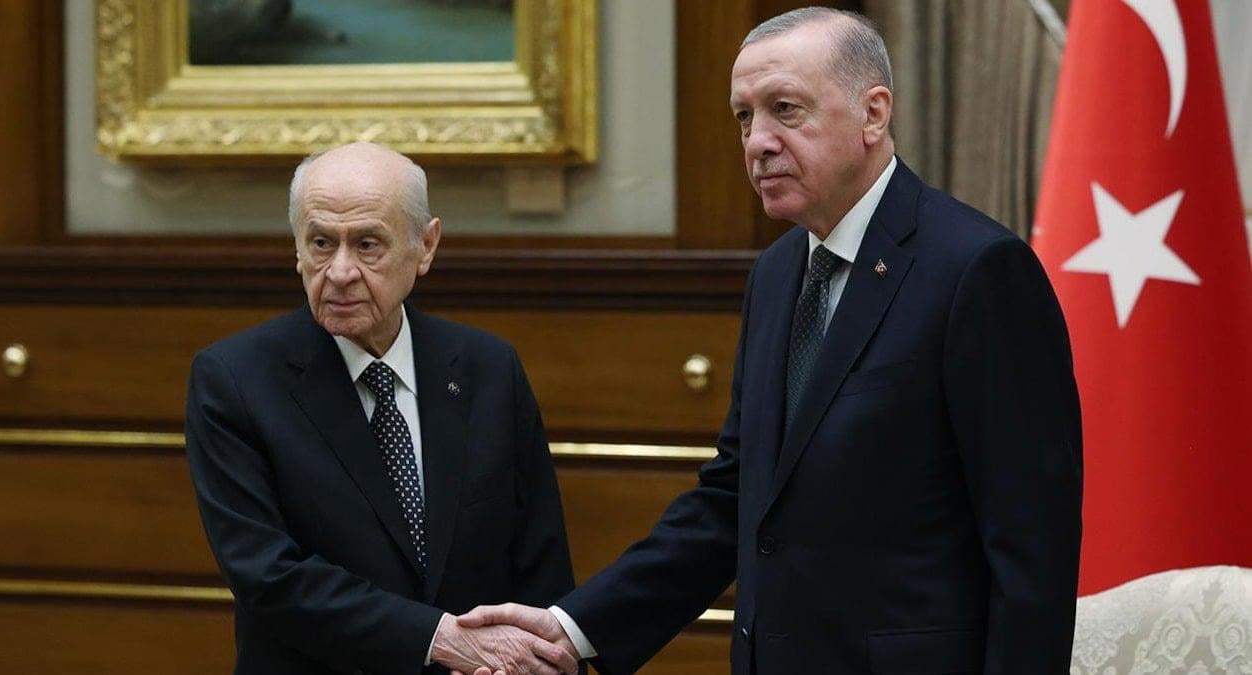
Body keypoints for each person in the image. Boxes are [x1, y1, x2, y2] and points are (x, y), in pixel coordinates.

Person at [458, 8, 1082, 674]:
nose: (758, 141)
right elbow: (737, 500)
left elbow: (1031, 552)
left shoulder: (977, 270)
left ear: (873, 114)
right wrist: (573, 627)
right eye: (744, 117)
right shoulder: (778, 273)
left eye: (785, 109)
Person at [185, 142, 580, 675]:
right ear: (297, 250)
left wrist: (549, 663)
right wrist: (437, 639)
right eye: (321, 243)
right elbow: (269, 577)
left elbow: (541, 566)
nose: (340, 271)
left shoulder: (488, 369)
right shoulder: (235, 381)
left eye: (367, 244)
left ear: (425, 246)